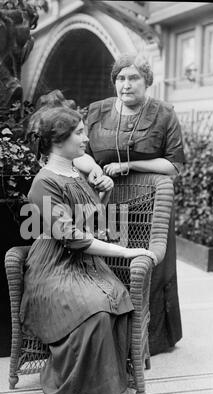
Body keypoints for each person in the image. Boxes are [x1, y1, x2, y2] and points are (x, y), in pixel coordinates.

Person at [19, 106, 157, 394]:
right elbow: (71, 237)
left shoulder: (75, 173)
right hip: (54, 267)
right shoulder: (44, 183)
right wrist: (125, 252)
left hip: (85, 264)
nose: (85, 138)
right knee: (94, 311)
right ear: (58, 140)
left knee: (117, 301)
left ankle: (106, 385)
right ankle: (73, 389)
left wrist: (103, 195)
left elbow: (90, 222)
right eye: (79, 132)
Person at [86, 53, 185, 356]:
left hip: (152, 204)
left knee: (149, 269)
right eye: (120, 78)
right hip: (106, 201)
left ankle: (151, 341)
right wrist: (92, 168)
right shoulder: (95, 111)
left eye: (133, 78)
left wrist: (129, 165)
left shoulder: (164, 113)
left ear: (147, 81)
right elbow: (80, 148)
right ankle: (112, 336)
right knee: (109, 266)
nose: (126, 85)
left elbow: (174, 166)